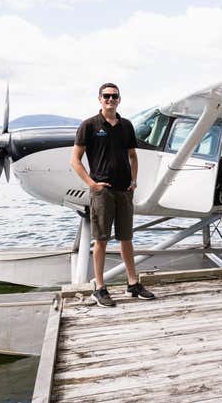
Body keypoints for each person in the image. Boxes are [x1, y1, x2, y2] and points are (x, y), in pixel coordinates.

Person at [71, 82, 155, 307]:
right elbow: (75, 160)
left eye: (114, 96)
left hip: (124, 191)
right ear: (99, 99)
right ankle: (99, 288)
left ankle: (133, 284)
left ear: (119, 99)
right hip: (103, 193)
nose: (110, 100)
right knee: (101, 239)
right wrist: (92, 184)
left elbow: (133, 156)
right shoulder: (89, 125)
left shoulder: (126, 125)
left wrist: (134, 181)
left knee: (126, 238)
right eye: (106, 96)